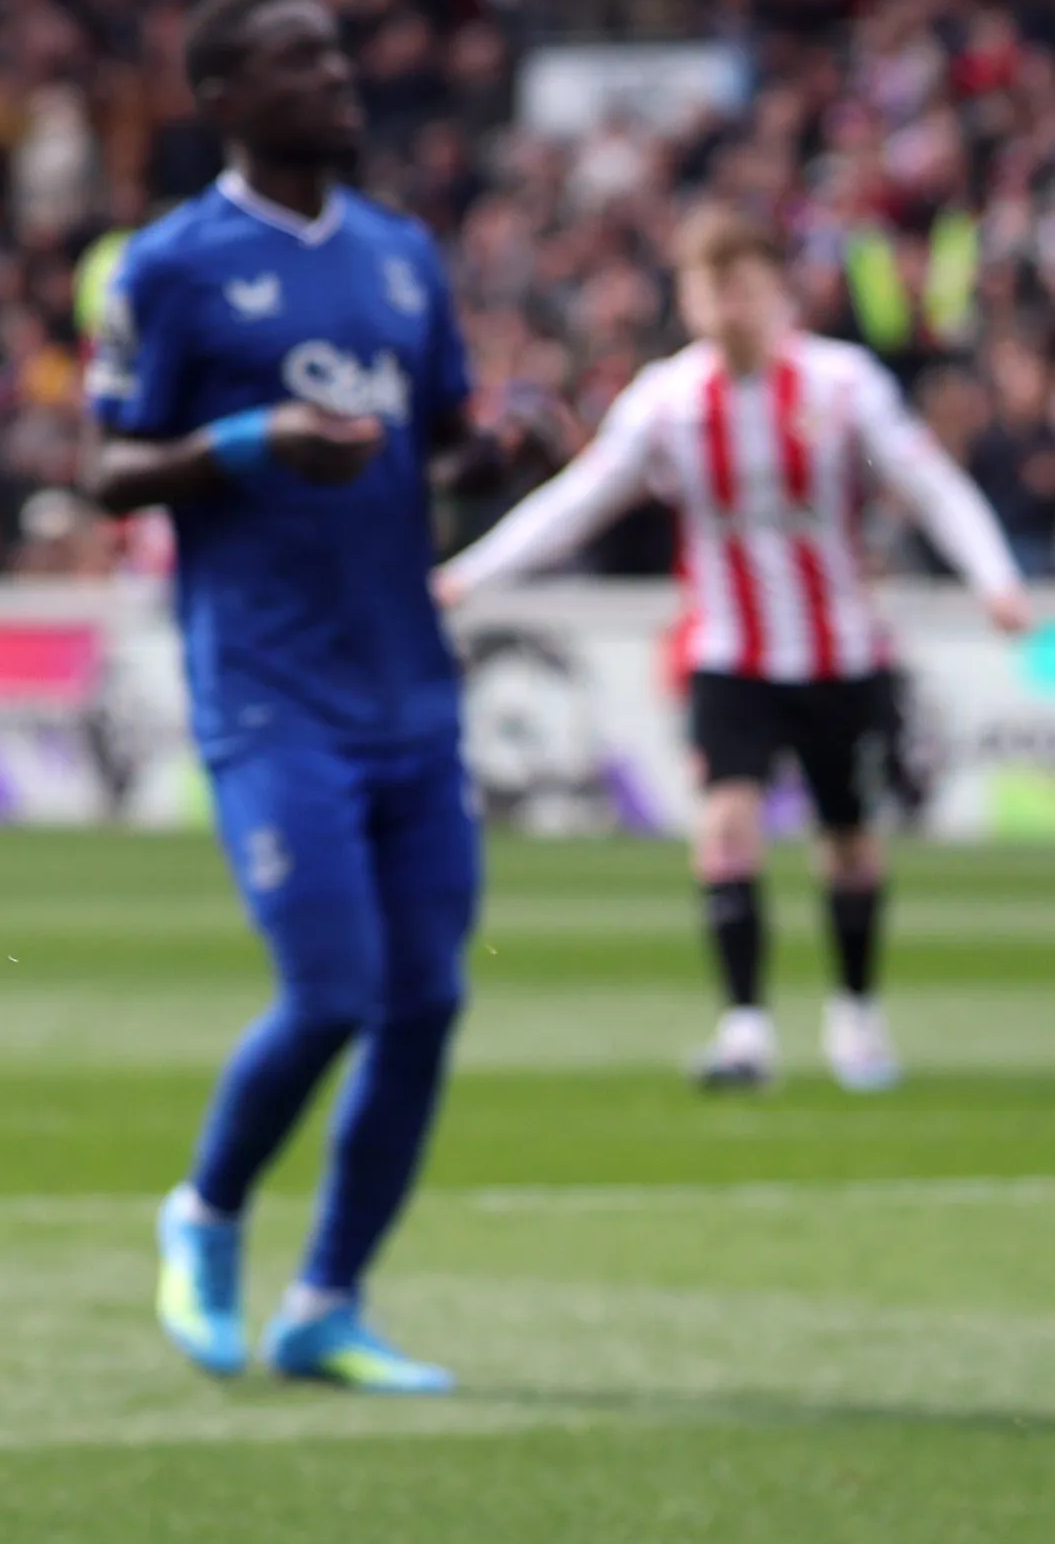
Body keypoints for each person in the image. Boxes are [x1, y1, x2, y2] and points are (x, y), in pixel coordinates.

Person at [86, 0, 483, 1398]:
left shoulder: (399, 255)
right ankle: (201, 1211)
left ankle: (326, 1300)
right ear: (222, 98)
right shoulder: (170, 267)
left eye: (334, 49)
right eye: (295, 58)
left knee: (425, 1000)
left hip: (408, 687)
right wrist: (252, 439)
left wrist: (502, 449)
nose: (335, 73)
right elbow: (107, 470)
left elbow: (439, 435)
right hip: (266, 692)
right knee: (330, 989)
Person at [437, 204, 1030, 1089]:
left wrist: (992, 575)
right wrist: (470, 575)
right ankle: (745, 1027)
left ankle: (855, 1016)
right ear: (687, 299)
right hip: (728, 649)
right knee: (724, 824)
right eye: (707, 290)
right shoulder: (668, 400)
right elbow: (578, 501)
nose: (726, 308)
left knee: (848, 843)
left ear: (774, 291)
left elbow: (929, 483)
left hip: (839, 650)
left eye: (741, 287)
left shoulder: (840, 385)